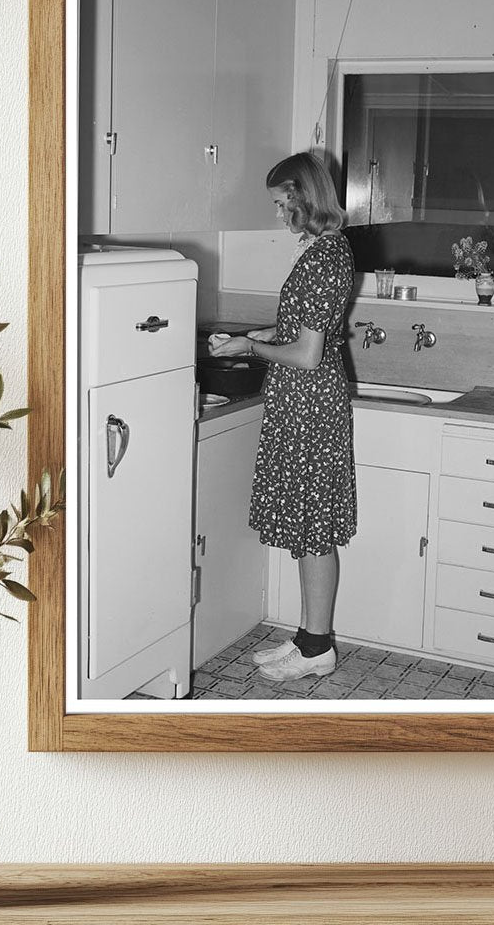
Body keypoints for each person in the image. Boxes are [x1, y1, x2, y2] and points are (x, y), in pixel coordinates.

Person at [209, 152, 357, 682]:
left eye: (281, 203)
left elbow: (308, 354)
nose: (277, 214)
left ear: (303, 198)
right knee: (305, 526)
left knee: (313, 528)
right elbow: (296, 329)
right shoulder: (323, 250)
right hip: (303, 404)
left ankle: (317, 649)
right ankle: (307, 639)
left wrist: (251, 345)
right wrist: (251, 339)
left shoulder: (324, 258)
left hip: (309, 405)